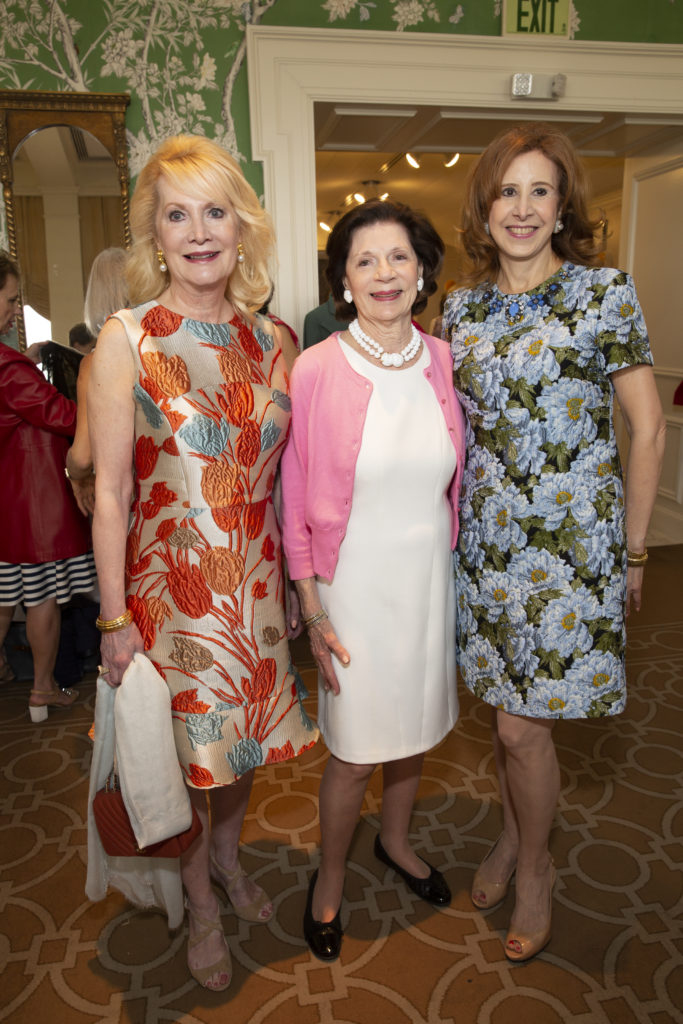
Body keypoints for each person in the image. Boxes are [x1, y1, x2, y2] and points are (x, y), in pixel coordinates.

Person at [88, 135, 319, 991]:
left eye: (214, 211)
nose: (197, 232)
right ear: (153, 231)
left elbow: (286, 480)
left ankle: (226, 856)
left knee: (242, 752)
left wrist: (296, 587)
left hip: (254, 591)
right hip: (169, 597)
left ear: (241, 228)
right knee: (183, 759)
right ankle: (203, 901)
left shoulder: (274, 341)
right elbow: (109, 492)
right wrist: (113, 618)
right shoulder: (127, 337)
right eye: (176, 214)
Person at [443, 123, 666, 962]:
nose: (523, 208)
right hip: (486, 548)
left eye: (540, 190)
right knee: (505, 719)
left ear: (563, 202)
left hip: (571, 551)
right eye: (507, 190)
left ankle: (533, 863)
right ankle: (511, 836)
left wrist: (634, 550)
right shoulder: (460, 308)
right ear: (484, 206)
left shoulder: (603, 294)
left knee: (517, 731)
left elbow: (646, 430)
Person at [281, 198, 466, 962]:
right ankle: (329, 880)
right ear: (344, 281)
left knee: (413, 732)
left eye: (397, 257)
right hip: (351, 587)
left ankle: (395, 844)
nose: (384, 273)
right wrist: (313, 610)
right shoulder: (317, 366)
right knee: (355, 749)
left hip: (426, 580)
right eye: (365, 261)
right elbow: (292, 496)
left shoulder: (443, 360)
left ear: (421, 271)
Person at [0, 252, 96, 720]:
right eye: (11, 298)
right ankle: (41, 688)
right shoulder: (7, 368)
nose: (15, 309)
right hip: (29, 507)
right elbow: (62, 415)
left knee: (7, 596)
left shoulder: (10, 365)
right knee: (41, 598)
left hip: (8, 502)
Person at [65, 247, 130, 515]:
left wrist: (73, 472)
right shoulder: (169, 350)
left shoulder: (94, 363)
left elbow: (82, 457)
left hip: (122, 504)